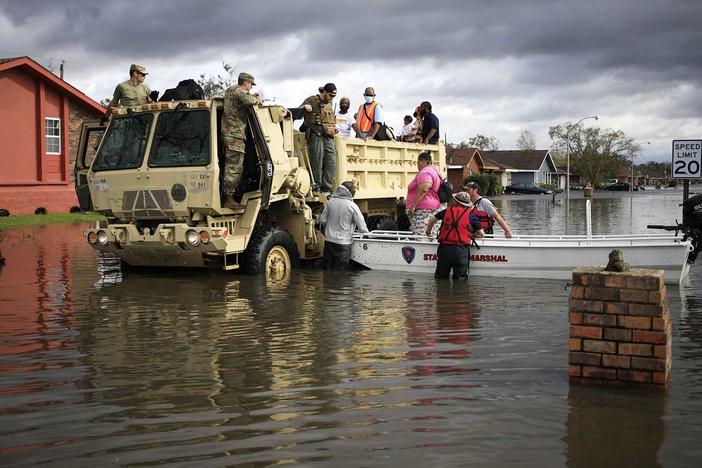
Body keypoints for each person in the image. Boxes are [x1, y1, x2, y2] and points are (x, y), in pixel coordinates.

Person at [220, 72, 261, 209]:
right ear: (246, 83)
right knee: (234, 167)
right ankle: (229, 198)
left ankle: (228, 196)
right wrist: (257, 99)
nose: (250, 87)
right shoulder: (239, 91)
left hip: (229, 133)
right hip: (235, 134)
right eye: (250, 85)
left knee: (230, 165)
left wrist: (250, 96)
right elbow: (249, 101)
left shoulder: (231, 90)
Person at [425, 192, 485, 279]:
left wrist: (428, 232)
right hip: (461, 251)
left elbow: (431, 220)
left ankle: (442, 292)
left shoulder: (446, 211)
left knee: (441, 278)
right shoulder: (471, 215)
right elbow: (482, 234)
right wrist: (470, 234)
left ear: (456, 201)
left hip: (445, 250)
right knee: (460, 280)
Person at [319, 181, 369, 270]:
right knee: (341, 275)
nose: (355, 192)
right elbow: (362, 227)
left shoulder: (331, 202)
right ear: (348, 191)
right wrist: (369, 236)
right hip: (343, 245)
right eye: (354, 189)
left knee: (328, 271)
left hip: (329, 242)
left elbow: (322, 220)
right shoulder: (352, 206)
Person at [301, 83, 338, 192]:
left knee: (331, 161)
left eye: (333, 96)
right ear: (324, 92)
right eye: (330, 95)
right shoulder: (312, 100)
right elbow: (298, 111)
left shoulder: (330, 104)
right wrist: (305, 107)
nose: (331, 98)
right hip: (316, 134)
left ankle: (327, 188)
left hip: (328, 136)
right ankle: (316, 186)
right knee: (316, 161)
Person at [406, 151, 442, 235]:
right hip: (433, 207)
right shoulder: (436, 171)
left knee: (421, 236)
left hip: (422, 210)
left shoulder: (425, 171)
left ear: (423, 161)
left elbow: (424, 188)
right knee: (430, 235)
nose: (417, 166)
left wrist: (413, 206)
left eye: (418, 163)